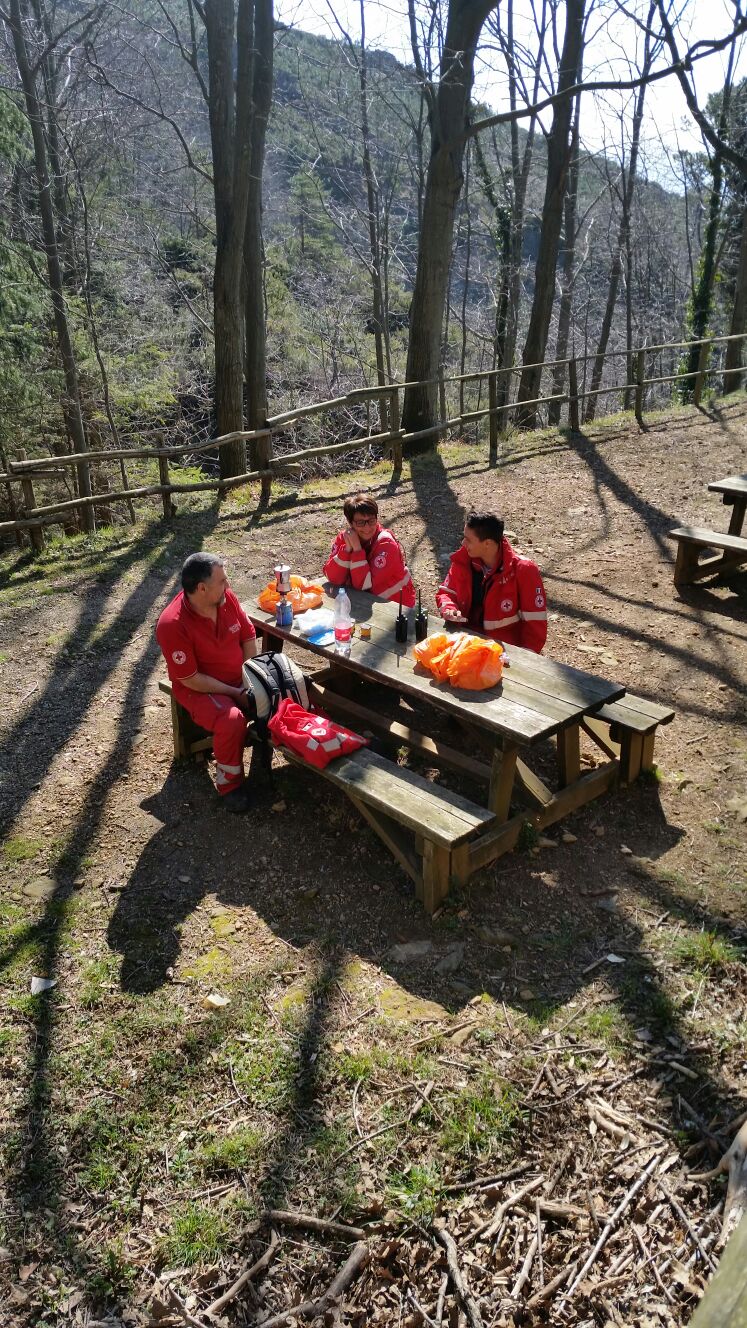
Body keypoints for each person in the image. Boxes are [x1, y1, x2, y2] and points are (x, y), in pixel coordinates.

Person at [156, 553, 259, 813]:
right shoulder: (172, 624)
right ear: (202, 588)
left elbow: (248, 636)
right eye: (222, 580)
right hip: (200, 689)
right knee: (232, 720)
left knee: (283, 689)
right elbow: (189, 678)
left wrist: (250, 679)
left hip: (238, 679)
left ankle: (268, 759)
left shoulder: (225, 598)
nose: (229, 584)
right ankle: (230, 784)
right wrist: (235, 692)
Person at [436, 512, 547, 653]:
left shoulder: (523, 570)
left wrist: (523, 660)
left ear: (487, 543)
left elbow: (535, 626)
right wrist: (449, 609)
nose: (463, 543)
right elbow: (446, 593)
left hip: (502, 652)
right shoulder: (463, 559)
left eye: (468, 540)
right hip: (463, 642)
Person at [323, 492, 416, 607]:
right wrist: (347, 549)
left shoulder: (386, 543)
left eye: (371, 521)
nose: (367, 528)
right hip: (363, 602)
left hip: (396, 607)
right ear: (350, 523)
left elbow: (364, 586)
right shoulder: (344, 538)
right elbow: (333, 578)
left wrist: (357, 550)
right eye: (360, 522)